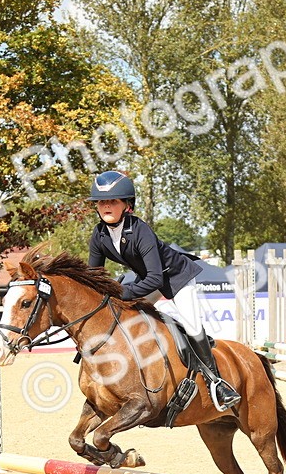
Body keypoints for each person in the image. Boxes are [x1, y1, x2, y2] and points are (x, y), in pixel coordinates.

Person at [86, 170, 240, 410]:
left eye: (113, 201)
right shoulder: (99, 234)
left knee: (191, 325)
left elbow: (156, 278)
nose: (106, 206)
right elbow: (93, 276)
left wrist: (123, 292)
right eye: (101, 201)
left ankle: (216, 382)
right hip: (148, 280)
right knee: (122, 317)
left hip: (176, 279)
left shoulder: (140, 230)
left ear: (127, 205)